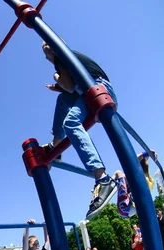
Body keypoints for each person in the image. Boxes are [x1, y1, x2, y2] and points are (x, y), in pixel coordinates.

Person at [41, 41, 118, 220]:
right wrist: (60, 86)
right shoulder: (65, 58)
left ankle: (103, 178)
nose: (47, 51)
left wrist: (57, 78)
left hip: (98, 88)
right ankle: (57, 146)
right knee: (62, 100)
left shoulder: (61, 56)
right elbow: (69, 88)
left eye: (47, 46)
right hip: (90, 89)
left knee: (71, 122)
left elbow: (68, 85)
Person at [114, 150, 158, 219]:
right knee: (122, 175)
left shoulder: (140, 176)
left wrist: (147, 153)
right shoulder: (143, 176)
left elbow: (134, 161)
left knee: (119, 173)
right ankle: (110, 183)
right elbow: (136, 161)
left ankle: (108, 184)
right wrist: (148, 153)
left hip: (125, 208)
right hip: (129, 207)